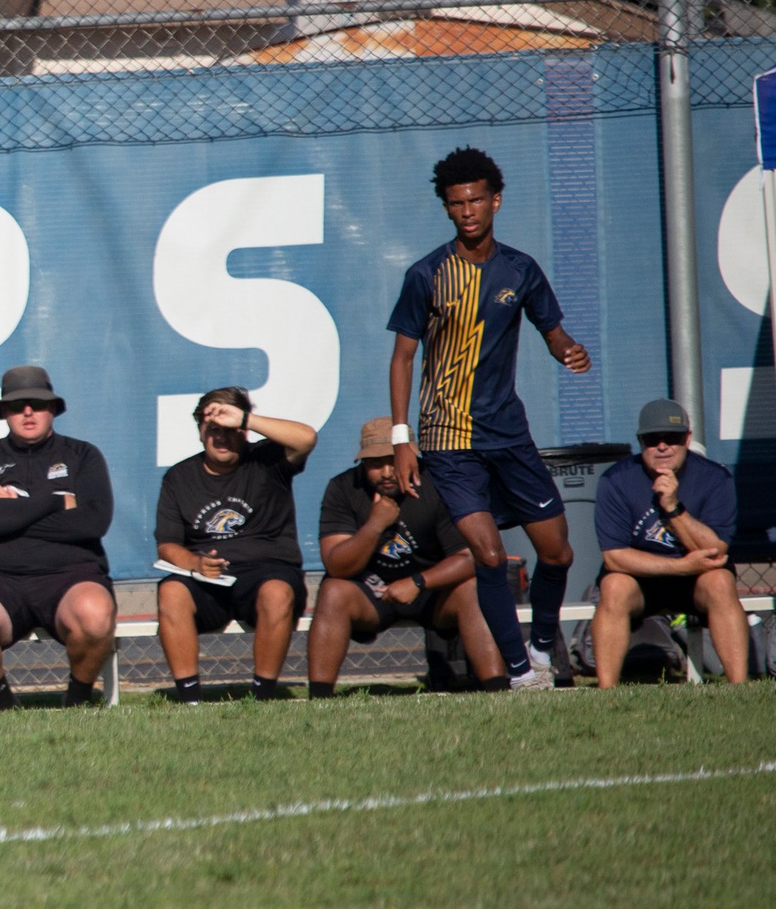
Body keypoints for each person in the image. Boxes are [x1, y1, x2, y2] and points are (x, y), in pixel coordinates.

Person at [388, 146, 592, 691]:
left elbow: (553, 334)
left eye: (476, 199)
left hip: (509, 434)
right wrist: (402, 437)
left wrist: (570, 350)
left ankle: (542, 647)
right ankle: (522, 675)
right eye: (457, 203)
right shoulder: (427, 274)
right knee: (489, 553)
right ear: (447, 209)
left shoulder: (521, 270)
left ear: (495, 201)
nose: (468, 210)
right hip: (448, 437)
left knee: (557, 552)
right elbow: (403, 356)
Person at [0, 366, 115, 709]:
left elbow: (93, 523)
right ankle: (5, 707)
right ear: (4, 413)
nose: (27, 412)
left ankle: (77, 700)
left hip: (72, 575)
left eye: (37, 404)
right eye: (16, 405)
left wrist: (12, 510)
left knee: (95, 615)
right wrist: (57, 501)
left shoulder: (83, 455)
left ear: (52, 409)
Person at [307, 417, 500, 696]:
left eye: (393, 461)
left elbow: (471, 557)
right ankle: (320, 698)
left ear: (410, 456)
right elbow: (336, 565)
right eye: (375, 463)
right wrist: (375, 525)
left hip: (433, 591)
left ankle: (498, 690)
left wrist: (418, 582)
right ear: (361, 463)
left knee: (472, 589)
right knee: (332, 591)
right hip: (371, 592)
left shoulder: (438, 484)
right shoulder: (344, 488)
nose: (386, 472)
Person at [154, 388, 316, 703]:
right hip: (208, 578)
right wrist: (196, 564)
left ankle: (262, 698)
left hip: (267, 571)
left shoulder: (267, 460)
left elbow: (307, 438)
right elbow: (167, 546)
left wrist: (245, 419)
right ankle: (191, 701)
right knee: (171, 591)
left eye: (230, 430)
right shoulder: (179, 477)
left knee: (277, 592)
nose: (222, 438)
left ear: (243, 431)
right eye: (213, 429)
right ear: (200, 432)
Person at [591, 399, 748, 686]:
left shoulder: (714, 478)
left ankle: (740, 687)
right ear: (641, 442)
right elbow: (614, 557)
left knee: (721, 582)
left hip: (698, 581)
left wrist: (673, 507)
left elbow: (715, 551)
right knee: (613, 586)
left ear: (687, 439)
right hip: (641, 581)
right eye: (653, 440)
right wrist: (682, 567)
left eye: (672, 438)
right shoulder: (616, 481)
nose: (663, 447)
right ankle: (606, 691)